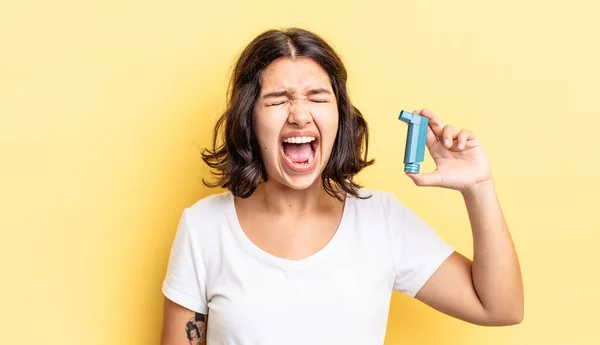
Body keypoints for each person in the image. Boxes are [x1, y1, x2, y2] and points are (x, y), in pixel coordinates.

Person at [159, 27, 524, 345]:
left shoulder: (382, 221)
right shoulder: (203, 227)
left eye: (318, 98)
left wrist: (478, 187)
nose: (300, 114)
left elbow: (500, 307)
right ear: (249, 118)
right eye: (278, 100)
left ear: (339, 117)